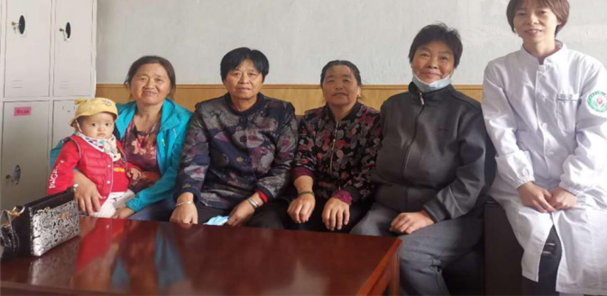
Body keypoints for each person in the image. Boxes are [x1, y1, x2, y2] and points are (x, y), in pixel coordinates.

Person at [481, 0, 607, 295]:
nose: (531, 20)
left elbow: (597, 133)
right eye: (521, 13)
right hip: (522, 184)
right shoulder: (499, 70)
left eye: (541, 12)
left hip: (586, 185)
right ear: (513, 22)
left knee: (585, 261)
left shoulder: (587, 69)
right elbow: (501, 131)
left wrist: (572, 186)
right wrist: (523, 182)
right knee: (546, 248)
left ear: (559, 17)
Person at [352, 23, 493, 296]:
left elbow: (474, 179)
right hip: (390, 207)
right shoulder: (392, 106)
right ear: (412, 59)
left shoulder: (468, 112)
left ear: (454, 66)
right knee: (362, 241)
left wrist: (429, 214)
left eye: (444, 57)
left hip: (451, 215)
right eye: (425, 54)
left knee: (407, 255)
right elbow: (374, 159)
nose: (433, 64)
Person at [50, 56, 193, 221]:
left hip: (157, 196)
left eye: (158, 80)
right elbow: (62, 150)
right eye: (142, 78)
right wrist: (76, 177)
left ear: (170, 87)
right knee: (68, 220)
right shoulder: (112, 113)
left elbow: (177, 172)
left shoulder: (182, 121)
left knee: (122, 225)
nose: (149, 85)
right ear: (130, 83)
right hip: (108, 189)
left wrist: (133, 206)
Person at [171, 47, 297, 229]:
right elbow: (193, 158)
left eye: (252, 74)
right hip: (215, 195)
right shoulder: (206, 112)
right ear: (224, 79)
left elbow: (285, 166)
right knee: (185, 229)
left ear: (262, 79)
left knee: (267, 232)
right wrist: (185, 201)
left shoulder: (281, 112)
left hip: (266, 198)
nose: (244, 80)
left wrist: (254, 202)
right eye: (236, 73)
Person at [287, 60, 381, 233]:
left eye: (346, 80)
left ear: (359, 88)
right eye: (330, 80)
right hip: (315, 194)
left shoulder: (374, 120)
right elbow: (303, 160)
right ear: (322, 88)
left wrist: (344, 196)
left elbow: (371, 169)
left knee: (341, 223)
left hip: (355, 198)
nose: (338, 86)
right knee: (297, 220)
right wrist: (305, 193)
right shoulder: (311, 119)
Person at [48, 98, 138, 217]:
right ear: (77, 126)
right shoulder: (75, 145)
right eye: (94, 124)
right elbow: (61, 171)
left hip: (121, 192)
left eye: (107, 124)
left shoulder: (113, 142)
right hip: (98, 197)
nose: (102, 129)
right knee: (111, 219)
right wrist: (57, 202)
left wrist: (131, 168)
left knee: (134, 207)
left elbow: (119, 161)